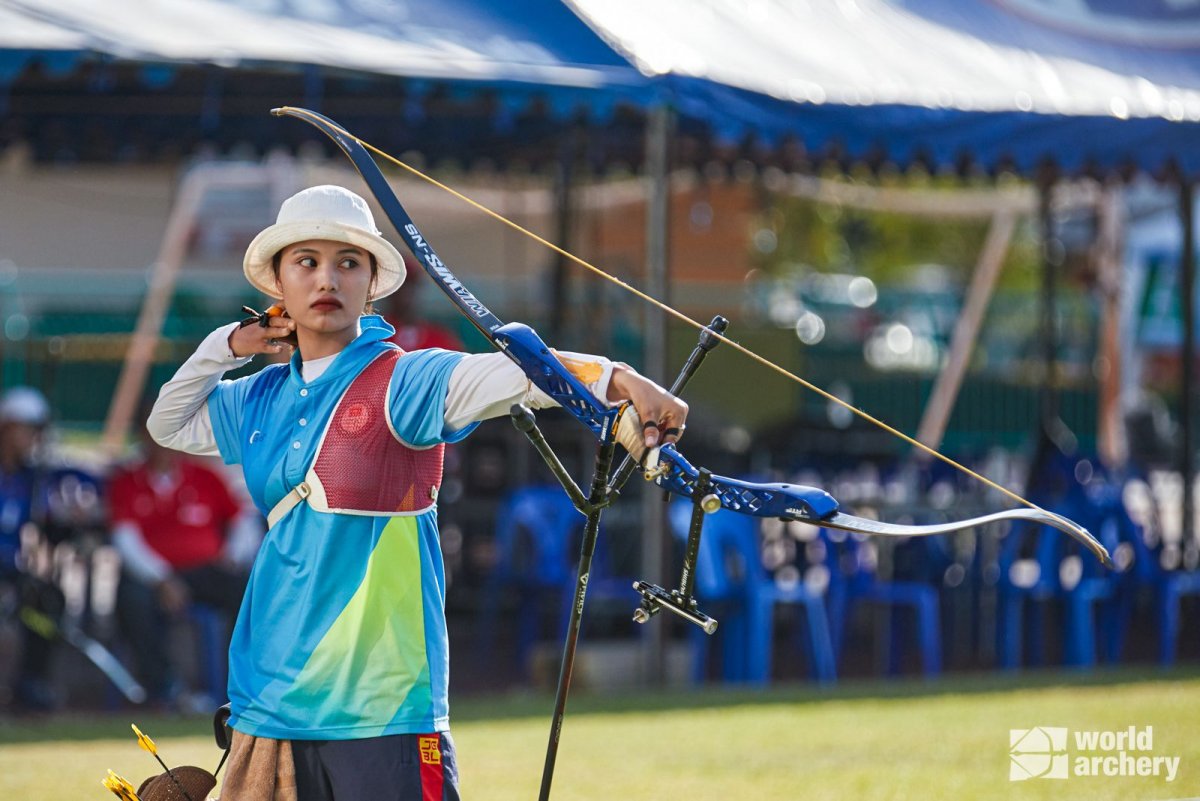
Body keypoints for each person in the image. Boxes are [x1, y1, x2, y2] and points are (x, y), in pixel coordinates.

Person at [148, 184, 687, 801]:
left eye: (348, 262)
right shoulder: (260, 397)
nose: (328, 277)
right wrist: (228, 345)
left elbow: (509, 374)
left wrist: (617, 377)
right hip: (271, 700)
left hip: (382, 703)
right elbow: (168, 422)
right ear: (277, 286)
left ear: (372, 283)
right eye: (307, 262)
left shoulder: (405, 376)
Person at [110, 412, 259, 709]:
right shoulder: (126, 482)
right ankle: (163, 687)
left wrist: (232, 555)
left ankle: (243, 686)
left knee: (248, 592)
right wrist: (161, 578)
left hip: (206, 570)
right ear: (142, 435)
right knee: (131, 600)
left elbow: (244, 520)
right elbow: (125, 540)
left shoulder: (205, 476)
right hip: (152, 575)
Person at [0, 386, 59, 712]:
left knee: (46, 604)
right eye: (27, 430)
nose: (33, 439)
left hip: (11, 573)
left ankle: (30, 683)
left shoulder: (29, 479)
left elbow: (44, 525)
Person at [383, 253, 464, 352]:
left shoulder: (441, 340)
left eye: (412, 286)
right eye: (400, 287)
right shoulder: (373, 336)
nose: (406, 293)